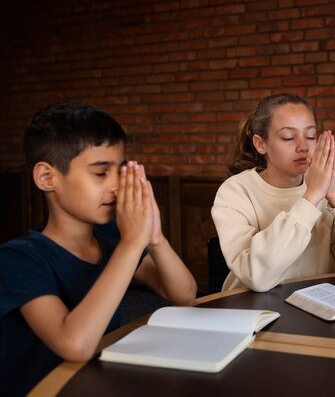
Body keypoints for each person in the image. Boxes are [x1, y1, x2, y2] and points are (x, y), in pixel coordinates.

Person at [0, 102, 197, 396]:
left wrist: (154, 237)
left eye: (120, 172)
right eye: (101, 173)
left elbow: (184, 294)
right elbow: (74, 344)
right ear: (47, 178)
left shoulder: (110, 238)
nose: (117, 185)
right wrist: (132, 243)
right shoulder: (18, 258)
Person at [211, 93, 335, 292]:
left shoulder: (325, 187)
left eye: (310, 136)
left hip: (318, 304)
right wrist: (311, 197)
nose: (303, 147)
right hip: (253, 311)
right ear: (260, 144)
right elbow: (257, 276)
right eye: (288, 137)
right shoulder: (236, 191)